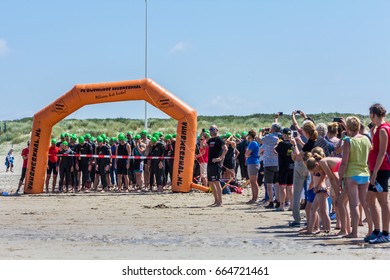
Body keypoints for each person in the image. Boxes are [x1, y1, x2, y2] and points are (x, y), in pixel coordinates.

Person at [338, 116, 373, 239]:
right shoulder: (366, 140)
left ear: (348, 127)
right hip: (365, 173)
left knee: (354, 204)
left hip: (352, 174)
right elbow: (369, 158)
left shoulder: (349, 141)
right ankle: (370, 230)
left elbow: (344, 162)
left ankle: (354, 232)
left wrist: (339, 177)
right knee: (365, 203)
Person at [366, 103, 390, 243]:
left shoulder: (383, 129)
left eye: (371, 115)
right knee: (370, 199)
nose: (370, 118)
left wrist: (374, 172)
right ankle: (377, 230)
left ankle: (386, 233)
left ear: (374, 114)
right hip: (378, 168)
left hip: (381, 169)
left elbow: (382, 152)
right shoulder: (379, 128)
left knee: (383, 201)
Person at [258, 123, 281, 209]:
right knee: (277, 184)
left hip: (269, 163)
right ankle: (278, 201)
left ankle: (271, 201)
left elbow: (260, 140)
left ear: (273, 129)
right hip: (278, 163)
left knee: (269, 184)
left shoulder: (269, 137)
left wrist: (261, 131)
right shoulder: (280, 137)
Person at [207, 125, 228, 207]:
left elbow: (225, 149)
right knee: (211, 182)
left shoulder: (219, 139)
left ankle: (220, 202)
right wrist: (203, 136)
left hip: (216, 164)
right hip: (210, 163)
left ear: (216, 130)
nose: (210, 131)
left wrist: (220, 158)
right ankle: (216, 201)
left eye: (212, 129)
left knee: (216, 182)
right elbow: (203, 146)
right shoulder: (211, 140)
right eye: (210, 129)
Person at [275, 128, 294, 211]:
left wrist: (277, 144)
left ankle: (282, 205)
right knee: (290, 187)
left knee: (282, 187)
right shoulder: (293, 143)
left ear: (284, 135)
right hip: (292, 166)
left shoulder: (281, 144)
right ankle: (291, 205)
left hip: (283, 166)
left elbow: (274, 150)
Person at [245, 130, 260, 204]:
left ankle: (255, 198)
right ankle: (254, 197)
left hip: (253, 163)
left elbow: (247, 153)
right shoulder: (252, 143)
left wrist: (247, 154)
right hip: (252, 162)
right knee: (252, 181)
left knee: (253, 181)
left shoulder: (253, 143)